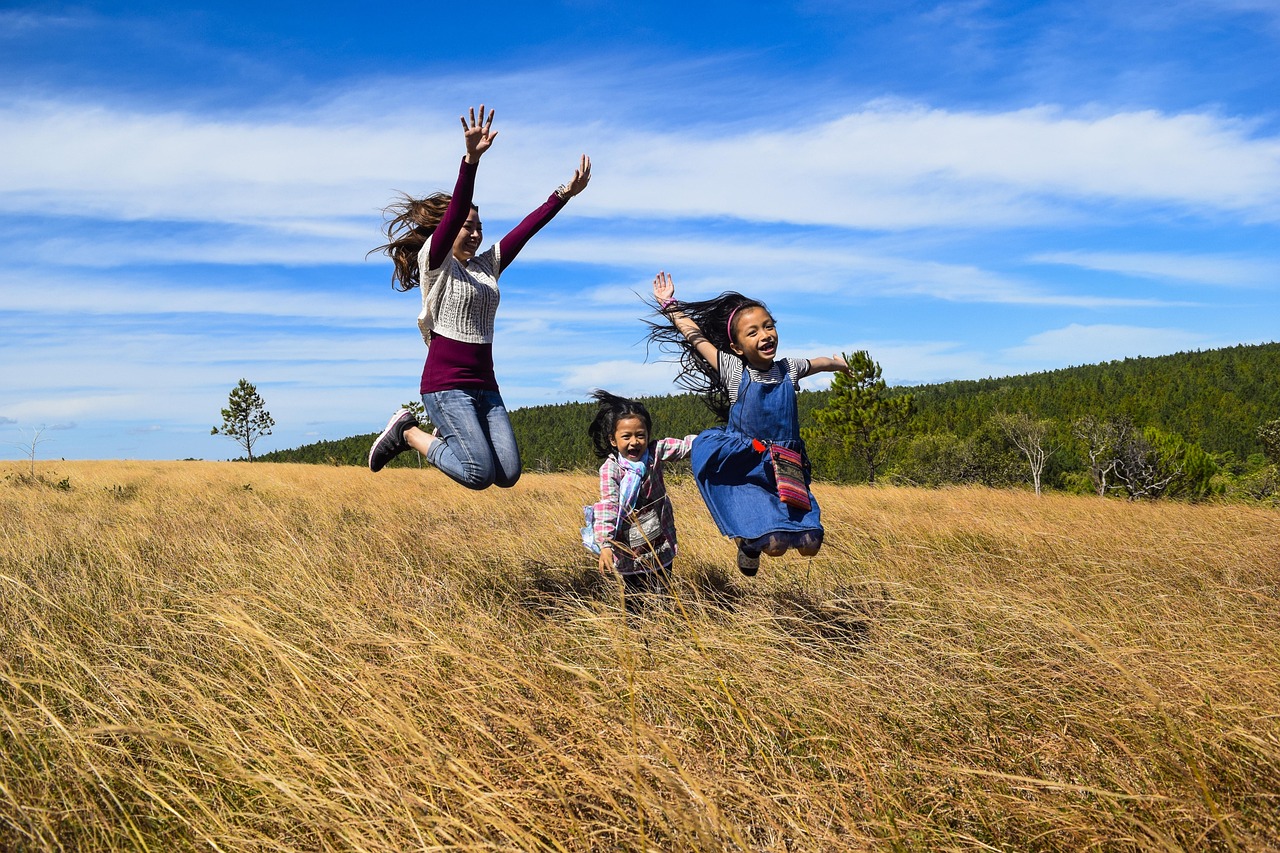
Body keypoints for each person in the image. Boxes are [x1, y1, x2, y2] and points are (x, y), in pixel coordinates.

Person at [367, 105, 591, 488]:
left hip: (485, 384)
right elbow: (454, 214)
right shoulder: (436, 261)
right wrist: (471, 160)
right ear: (447, 229)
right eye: (467, 226)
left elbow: (526, 229)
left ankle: (433, 438)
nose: (474, 233)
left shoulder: (488, 266)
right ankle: (407, 432)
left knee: (507, 474)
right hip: (446, 385)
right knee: (477, 473)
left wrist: (563, 195)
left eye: (479, 227)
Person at [648, 271, 849, 576]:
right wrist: (670, 305)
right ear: (738, 347)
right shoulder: (733, 370)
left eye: (768, 326)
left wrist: (837, 364)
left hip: (785, 462)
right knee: (775, 545)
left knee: (809, 542)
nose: (765, 335)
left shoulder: (788, 368)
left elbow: (818, 363)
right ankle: (749, 544)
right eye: (752, 332)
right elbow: (695, 336)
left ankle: (755, 541)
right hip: (744, 462)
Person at [581, 391, 695, 609]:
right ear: (613, 440)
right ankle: (637, 638)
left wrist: (714, 441)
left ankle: (666, 633)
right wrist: (605, 544)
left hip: (659, 540)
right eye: (626, 436)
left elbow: (686, 446)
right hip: (628, 546)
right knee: (635, 599)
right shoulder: (611, 469)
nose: (634, 442)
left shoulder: (655, 452)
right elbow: (608, 505)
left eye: (640, 435)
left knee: (664, 594)